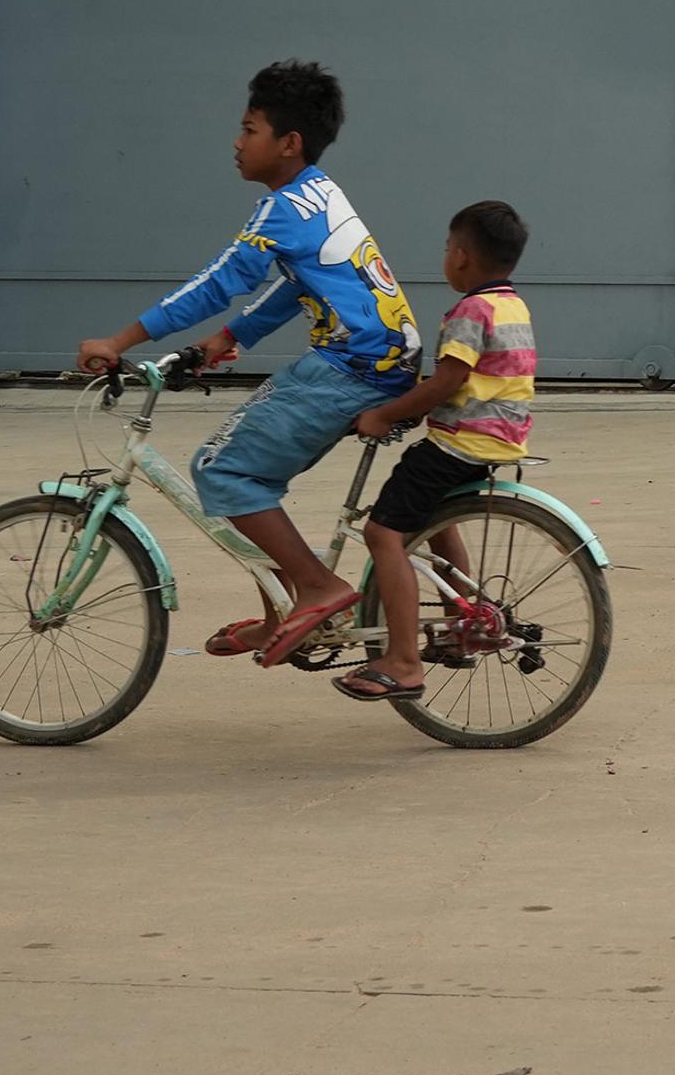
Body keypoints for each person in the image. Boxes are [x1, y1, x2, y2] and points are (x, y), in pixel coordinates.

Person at [71, 60, 426, 668]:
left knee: (223, 468)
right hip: (382, 359)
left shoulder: (282, 209)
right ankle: (281, 611)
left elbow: (218, 283)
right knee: (245, 467)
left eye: (249, 129)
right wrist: (227, 339)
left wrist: (123, 338)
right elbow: (294, 287)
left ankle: (317, 590)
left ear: (288, 143)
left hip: (354, 365)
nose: (237, 143)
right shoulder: (321, 192)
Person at [334, 201, 537, 704]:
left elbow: (449, 381)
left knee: (382, 534)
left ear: (463, 257)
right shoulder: (513, 304)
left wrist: (384, 414)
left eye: (448, 249)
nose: (445, 257)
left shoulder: (471, 310)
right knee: (436, 522)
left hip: (459, 441)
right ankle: (458, 625)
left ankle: (403, 661)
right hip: (499, 439)